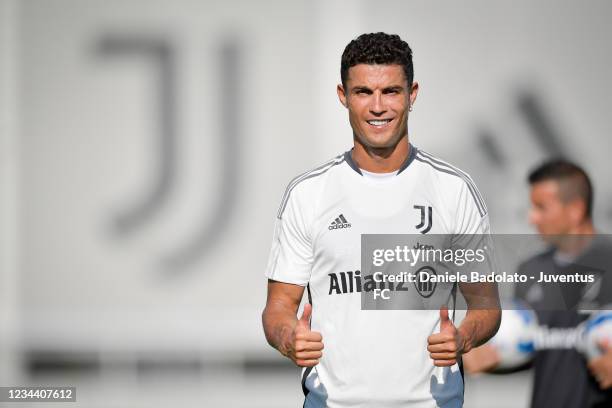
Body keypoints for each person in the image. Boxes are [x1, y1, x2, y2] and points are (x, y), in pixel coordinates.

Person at [262, 32, 500, 408]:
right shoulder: (309, 193)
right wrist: (288, 337)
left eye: (390, 91)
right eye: (362, 92)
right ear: (343, 96)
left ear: (412, 94)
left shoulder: (453, 190)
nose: (377, 107)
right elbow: (278, 308)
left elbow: (486, 305)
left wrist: (464, 339)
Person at [463, 159, 612, 407]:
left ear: (575, 209)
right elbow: (533, 352)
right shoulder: (532, 269)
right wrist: (489, 358)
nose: (532, 218)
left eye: (541, 208)